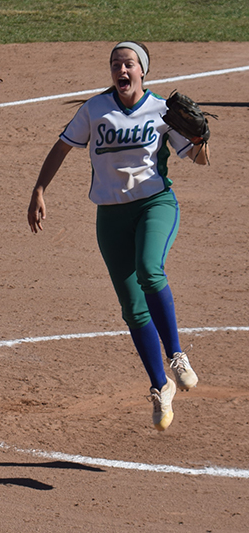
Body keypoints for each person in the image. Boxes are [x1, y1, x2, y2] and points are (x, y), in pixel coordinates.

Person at [27, 41, 207, 431]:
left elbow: (196, 157)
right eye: (115, 65)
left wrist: (198, 140)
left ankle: (176, 356)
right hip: (110, 216)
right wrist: (40, 189)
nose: (121, 71)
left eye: (128, 64)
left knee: (149, 270)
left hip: (154, 205)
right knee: (131, 306)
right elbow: (62, 147)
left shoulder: (162, 110)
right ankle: (161, 386)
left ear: (142, 71)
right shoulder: (94, 109)